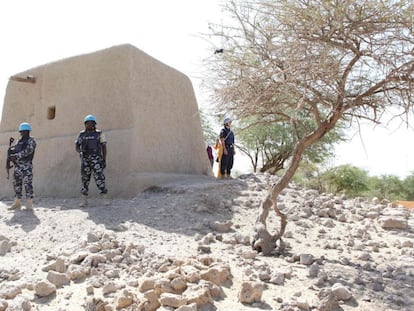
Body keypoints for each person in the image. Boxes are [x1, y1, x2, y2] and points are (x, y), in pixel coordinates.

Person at [75, 115, 109, 207]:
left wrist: (104, 159)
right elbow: (77, 145)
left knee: (100, 178)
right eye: (87, 123)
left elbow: (104, 147)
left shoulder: (99, 133)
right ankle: (84, 200)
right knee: (85, 180)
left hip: (96, 159)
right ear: (85, 124)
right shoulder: (82, 134)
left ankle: (105, 199)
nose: (89, 125)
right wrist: (80, 150)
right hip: (85, 159)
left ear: (94, 124)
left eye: (91, 123)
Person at [8, 122, 37, 211]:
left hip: (26, 166)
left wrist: (16, 155)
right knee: (17, 184)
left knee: (27, 184)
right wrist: (11, 152)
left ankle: (29, 204)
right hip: (18, 166)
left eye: (23, 131)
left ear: (28, 131)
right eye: (21, 131)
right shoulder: (19, 141)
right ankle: (17, 202)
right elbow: (16, 150)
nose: (22, 133)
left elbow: (28, 151)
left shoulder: (31, 141)